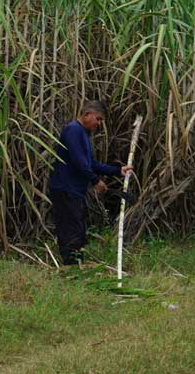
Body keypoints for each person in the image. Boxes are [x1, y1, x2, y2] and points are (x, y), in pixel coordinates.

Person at [49, 100, 133, 265]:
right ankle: (71, 265)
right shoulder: (73, 130)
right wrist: (95, 180)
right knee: (71, 228)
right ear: (87, 114)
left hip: (74, 190)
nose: (99, 124)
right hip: (65, 188)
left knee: (77, 227)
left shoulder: (83, 134)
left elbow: (90, 163)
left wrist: (117, 170)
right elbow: (79, 162)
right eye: (98, 119)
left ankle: (75, 262)